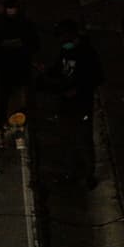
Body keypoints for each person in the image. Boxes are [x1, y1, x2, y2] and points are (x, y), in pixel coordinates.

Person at [43, 19, 104, 188]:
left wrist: (79, 89)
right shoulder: (65, 50)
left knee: (83, 139)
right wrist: (48, 73)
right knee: (66, 137)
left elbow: (97, 77)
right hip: (65, 103)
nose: (62, 42)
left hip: (81, 103)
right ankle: (70, 171)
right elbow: (59, 68)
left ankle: (88, 174)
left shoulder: (87, 53)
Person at [0, 0, 40, 131]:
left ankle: (20, 127)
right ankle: (1, 126)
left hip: (20, 67)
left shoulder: (25, 24)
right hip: (3, 67)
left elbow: (34, 44)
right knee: (3, 98)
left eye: (13, 9)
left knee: (20, 100)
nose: (11, 12)